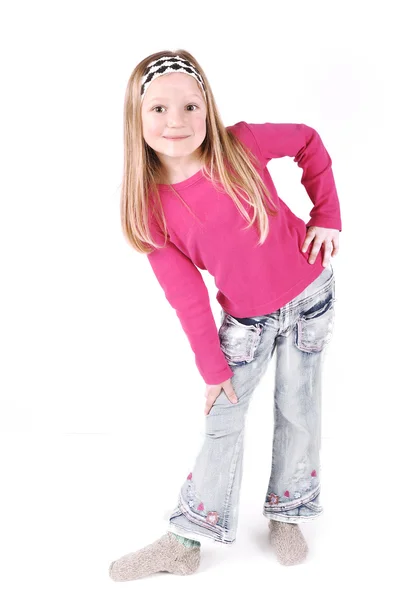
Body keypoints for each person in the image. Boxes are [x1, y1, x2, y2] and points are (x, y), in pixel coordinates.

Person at [109, 49, 342, 581]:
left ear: (207, 107)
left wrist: (327, 215)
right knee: (223, 423)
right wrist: (214, 371)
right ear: (136, 118)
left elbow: (307, 139)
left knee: (299, 409)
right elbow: (186, 296)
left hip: (310, 299)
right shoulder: (150, 208)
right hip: (247, 324)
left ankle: (288, 512)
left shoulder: (241, 145)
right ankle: (187, 539)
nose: (177, 122)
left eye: (191, 107)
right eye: (159, 110)